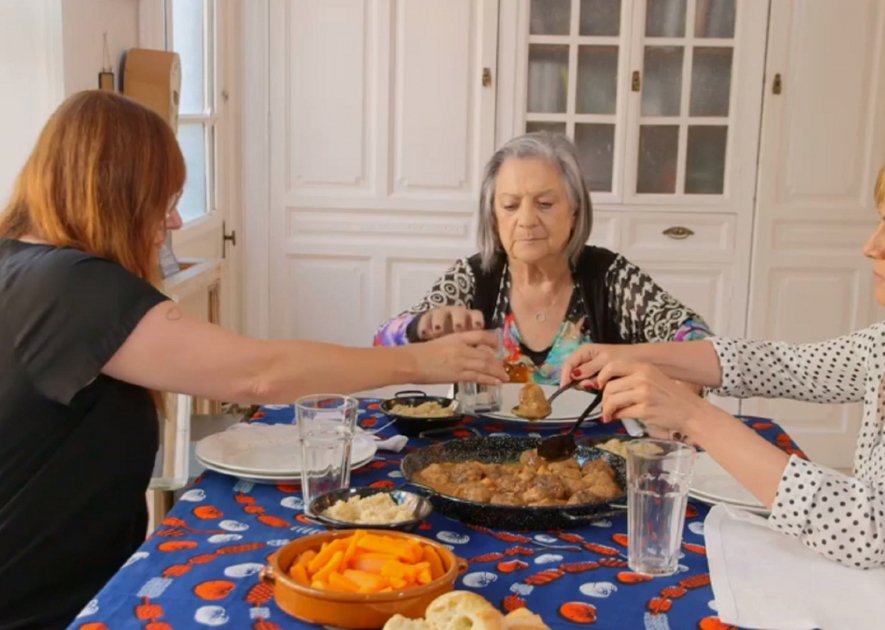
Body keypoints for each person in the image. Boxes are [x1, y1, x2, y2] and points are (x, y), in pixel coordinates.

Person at [0, 91, 507, 629]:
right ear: (111, 192)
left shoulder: (25, 268)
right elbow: (258, 374)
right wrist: (422, 364)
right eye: (162, 198)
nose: (173, 221)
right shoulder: (73, 289)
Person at [561, 134, 885, 620]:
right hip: (881, 588)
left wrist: (693, 415)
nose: (870, 246)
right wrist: (628, 354)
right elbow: (783, 365)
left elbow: (867, 526)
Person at [374, 131, 711, 384]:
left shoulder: (609, 277)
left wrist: (679, 388)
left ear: (575, 211)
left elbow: (697, 342)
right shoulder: (474, 276)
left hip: (592, 460)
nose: (526, 219)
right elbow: (382, 344)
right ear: (494, 217)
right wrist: (421, 328)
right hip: (482, 460)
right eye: (510, 205)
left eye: (545, 204)